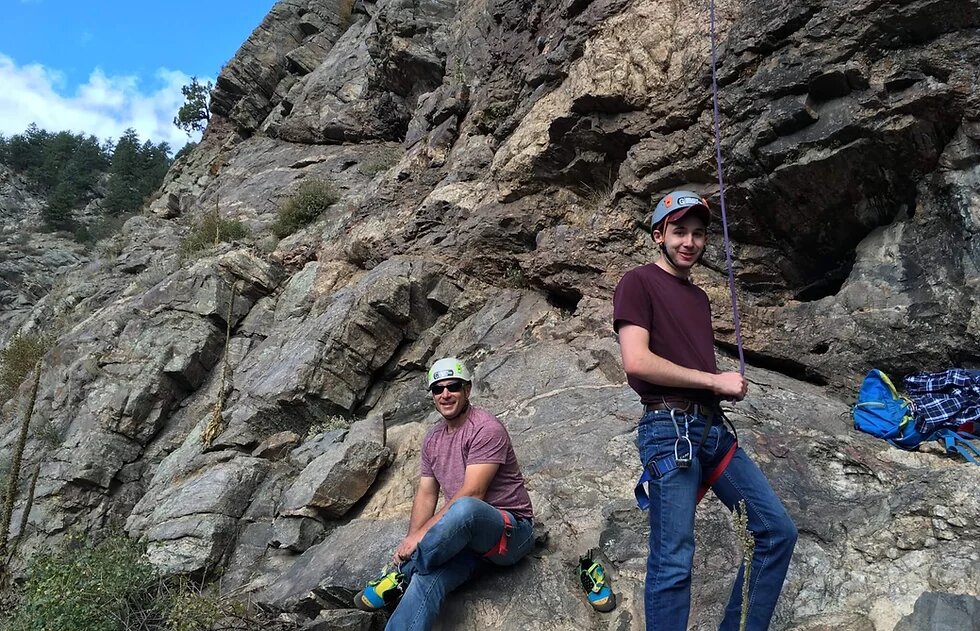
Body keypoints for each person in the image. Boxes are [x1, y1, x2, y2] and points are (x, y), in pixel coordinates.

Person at [613, 190, 797, 630]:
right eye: (679, 231)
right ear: (658, 235)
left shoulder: (698, 298)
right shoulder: (637, 282)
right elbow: (637, 361)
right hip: (669, 428)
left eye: (698, 234)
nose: (689, 242)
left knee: (776, 532)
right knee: (674, 559)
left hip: (711, 429)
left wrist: (718, 388)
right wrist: (715, 381)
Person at [354, 357, 535, 630]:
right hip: (465, 544)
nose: (445, 394)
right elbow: (426, 493)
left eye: (453, 387)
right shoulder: (433, 439)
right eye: (438, 389)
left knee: (464, 508)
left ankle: (404, 572)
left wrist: (420, 541)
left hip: (509, 534)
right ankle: (408, 580)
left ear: (467, 390)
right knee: (426, 579)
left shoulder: (486, 429)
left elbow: (473, 493)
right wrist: (411, 538)